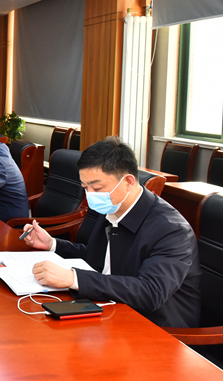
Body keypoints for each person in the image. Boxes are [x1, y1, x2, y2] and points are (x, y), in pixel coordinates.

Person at [22, 136, 201, 328]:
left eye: (97, 188)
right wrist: (52, 244)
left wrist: (74, 278)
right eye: (85, 188)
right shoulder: (113, 206)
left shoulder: (172, 230)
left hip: (155, 328)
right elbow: (98, 257)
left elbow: (151, 292)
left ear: (128, 182)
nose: (90, 196)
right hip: (110, 309)